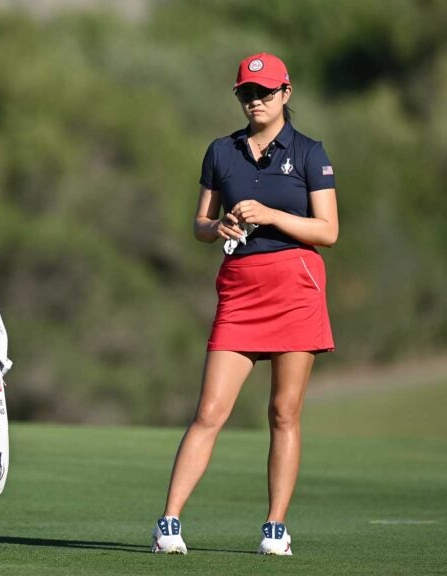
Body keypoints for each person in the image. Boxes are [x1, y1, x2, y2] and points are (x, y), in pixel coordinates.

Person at [151, 52, 339, 556]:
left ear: (286, 93)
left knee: (283, 412)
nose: (256, 100)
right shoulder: (221, 150)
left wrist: (271, 213)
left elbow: (328, 230)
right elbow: (199, 225)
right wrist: (218, 228)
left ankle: (275, 526)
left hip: (294, 286)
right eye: (247, 93)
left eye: (266, 92)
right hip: (240, 288)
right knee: (209, 411)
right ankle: (168, 522)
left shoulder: (308, 152)